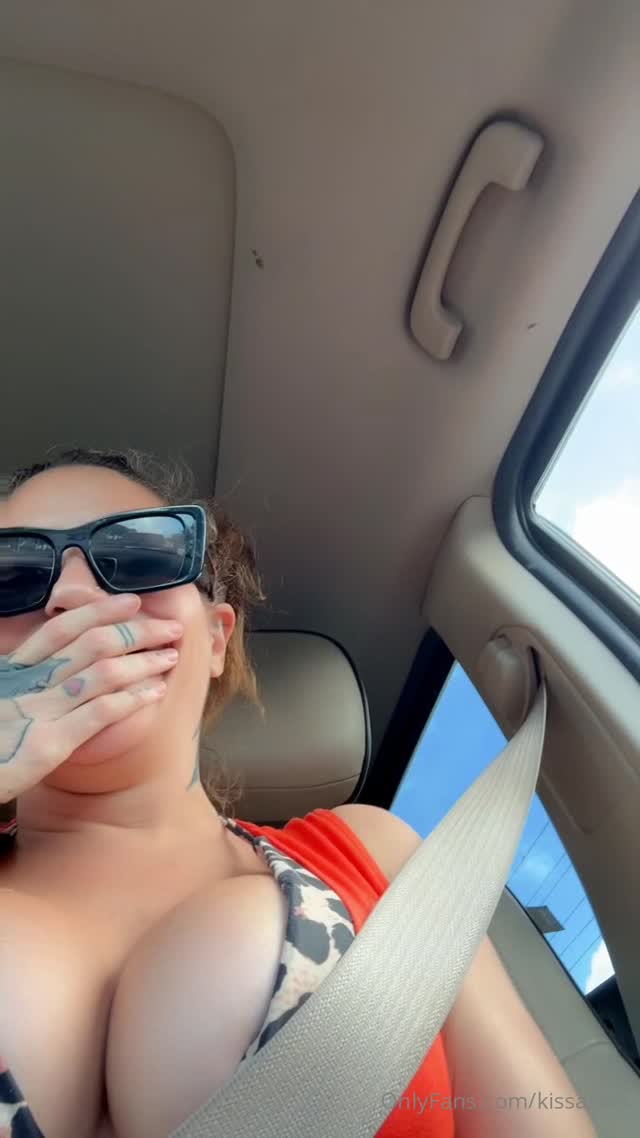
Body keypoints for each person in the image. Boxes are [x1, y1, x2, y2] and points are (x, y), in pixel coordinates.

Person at [0, 448, 596, 1138]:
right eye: (11, 572)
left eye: (139, 556)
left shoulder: (376, 853)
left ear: (216, 639)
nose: (70, 596)